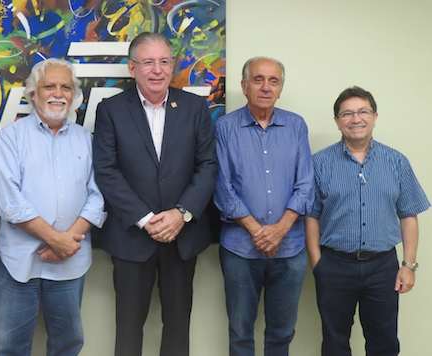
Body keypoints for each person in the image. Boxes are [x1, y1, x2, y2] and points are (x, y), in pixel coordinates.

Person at [92, 32, 218, 356]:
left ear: (173, 65)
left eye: (164, 61)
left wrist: (181, 214)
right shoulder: (111, 110)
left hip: (182, 236)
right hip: (133, 239)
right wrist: (146, 219)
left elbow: (208, 166)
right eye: (148, 62)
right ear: (132, 67)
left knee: (178, 328)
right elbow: (106, 171)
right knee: (129, 329)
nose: (157, 70)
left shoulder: (194, 107)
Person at [0, 58, 106, 356]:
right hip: (18, 263)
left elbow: (99, 196)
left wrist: (67, 242)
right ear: (33, 94)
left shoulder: (87, 140)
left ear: (74, 95)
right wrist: (57, 240)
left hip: (71, 260)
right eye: (49, 86)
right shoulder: (11, 137)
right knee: (11, 347)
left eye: (65, 87)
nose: (58, 93)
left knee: (67, 344)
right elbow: (9, 202)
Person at [305, 86, 430, 356]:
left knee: (384, 341)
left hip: (383, 267)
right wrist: (318, 264)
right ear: (337, 121)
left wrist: (409, 265)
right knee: (335, 342)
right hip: (335, 265)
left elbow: (408, 214)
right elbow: (311, 217)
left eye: (363, 111)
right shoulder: (319, 164)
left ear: (375, 116)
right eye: (347, 113)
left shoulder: (397, 162)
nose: (356, 119)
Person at [214, 57, 314, 356]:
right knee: (240, 333)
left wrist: (280, 230)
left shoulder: (296, 126)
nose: (266, 87)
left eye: (273, 81)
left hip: (290, 249)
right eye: (258, 80)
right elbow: (221, 185)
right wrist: (259, 232)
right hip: (240, 250)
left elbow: (306, 183)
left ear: (281, 88)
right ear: (244, 86)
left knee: (282, 334)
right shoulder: (225, 126)